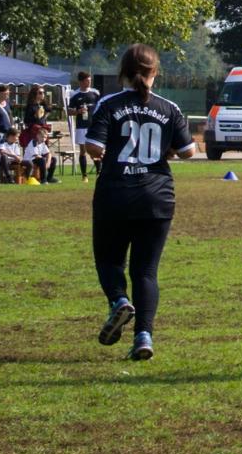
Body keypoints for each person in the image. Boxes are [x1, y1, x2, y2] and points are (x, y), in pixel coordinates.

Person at [82, 44, 198, 363]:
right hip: (157, 197)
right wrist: (166, 151)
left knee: (109, 262)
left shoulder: (109, 103)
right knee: (146, 271)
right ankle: (143, 335)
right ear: (155, 73)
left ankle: (119, 301)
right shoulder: (169, 107)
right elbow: (189, 150)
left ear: (123, 72)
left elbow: (93, 146)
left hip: (115, 195)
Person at [67, 72, 101, 180]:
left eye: (90, 80)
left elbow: (101, 106)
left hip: (94, 125)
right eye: (87, 80)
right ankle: (84, 175)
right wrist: (78, 111)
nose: (89, 82)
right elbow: (69, 111)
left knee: (96, 149)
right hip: (81, 126)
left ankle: (99, 173)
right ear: (81, 82)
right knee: (83, 150)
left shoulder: (95, 93)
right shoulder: (74, 94)